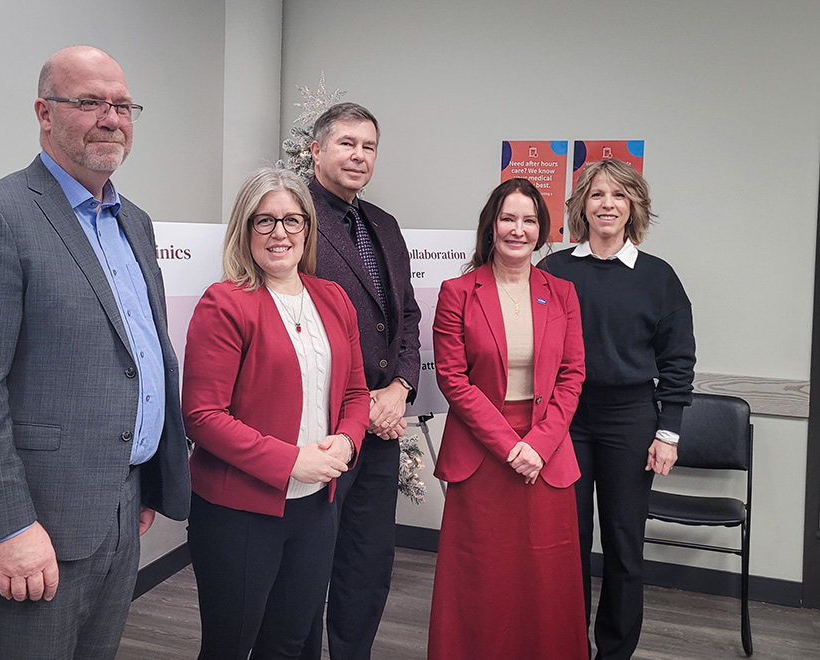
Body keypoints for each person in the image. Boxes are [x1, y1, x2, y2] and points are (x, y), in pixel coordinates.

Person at [0, 46, 191, 659]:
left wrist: (145, 481)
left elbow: (137, 357)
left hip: (122, 501)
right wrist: (9, 527)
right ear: (44, 113)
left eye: (122, 105)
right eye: (90, 102)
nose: (111, 118)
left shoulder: (135, 223)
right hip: (38, 519)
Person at [182, 166, 370, 660]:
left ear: (307, 227)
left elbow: (355, 392)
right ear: (245, 229)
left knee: (287, 643)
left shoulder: (334, 299)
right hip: (239, 513)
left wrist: (347, 440)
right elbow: (202, 415)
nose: (279, 233)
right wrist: (290, 461)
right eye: (264, 221)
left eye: (291, 220)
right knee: (229, 647)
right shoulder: (225, 303)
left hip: (316, 509)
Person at [538, 158, 696, 660]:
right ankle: (568, 647)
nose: (608, 204)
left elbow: (678, 360)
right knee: (568, 544)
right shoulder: (554, 271)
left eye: (619, 195)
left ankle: (614, 653)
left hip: (631, 419)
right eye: (597, 194)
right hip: (566, 419)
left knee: (625, 547)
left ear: (634, 207)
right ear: (582, 205)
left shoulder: (658, 277)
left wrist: (668, 433)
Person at [428, 178, 588, 660]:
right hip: (481, 454)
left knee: (545, 579)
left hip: (546, 453)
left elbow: (572, 375)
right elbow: (453, 379)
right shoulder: (457, 292)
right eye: (508, 218)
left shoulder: (563, 293)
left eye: (529, 220)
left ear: (542, 230)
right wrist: (509, 445)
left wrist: (538, 444)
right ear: (491, 226)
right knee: (481, 576)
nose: (518, 230)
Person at [298, 102, 422, 660]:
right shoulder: (293, 217)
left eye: (368, 146)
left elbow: (406, 316)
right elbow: (289, 318)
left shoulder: (384, 225)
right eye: (347, 143)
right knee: (307, 564)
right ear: (316, 149)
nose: (359, 156)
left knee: (367, 564)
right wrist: (358, 400)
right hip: (319, 426)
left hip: (381, 428)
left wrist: (400, 388)